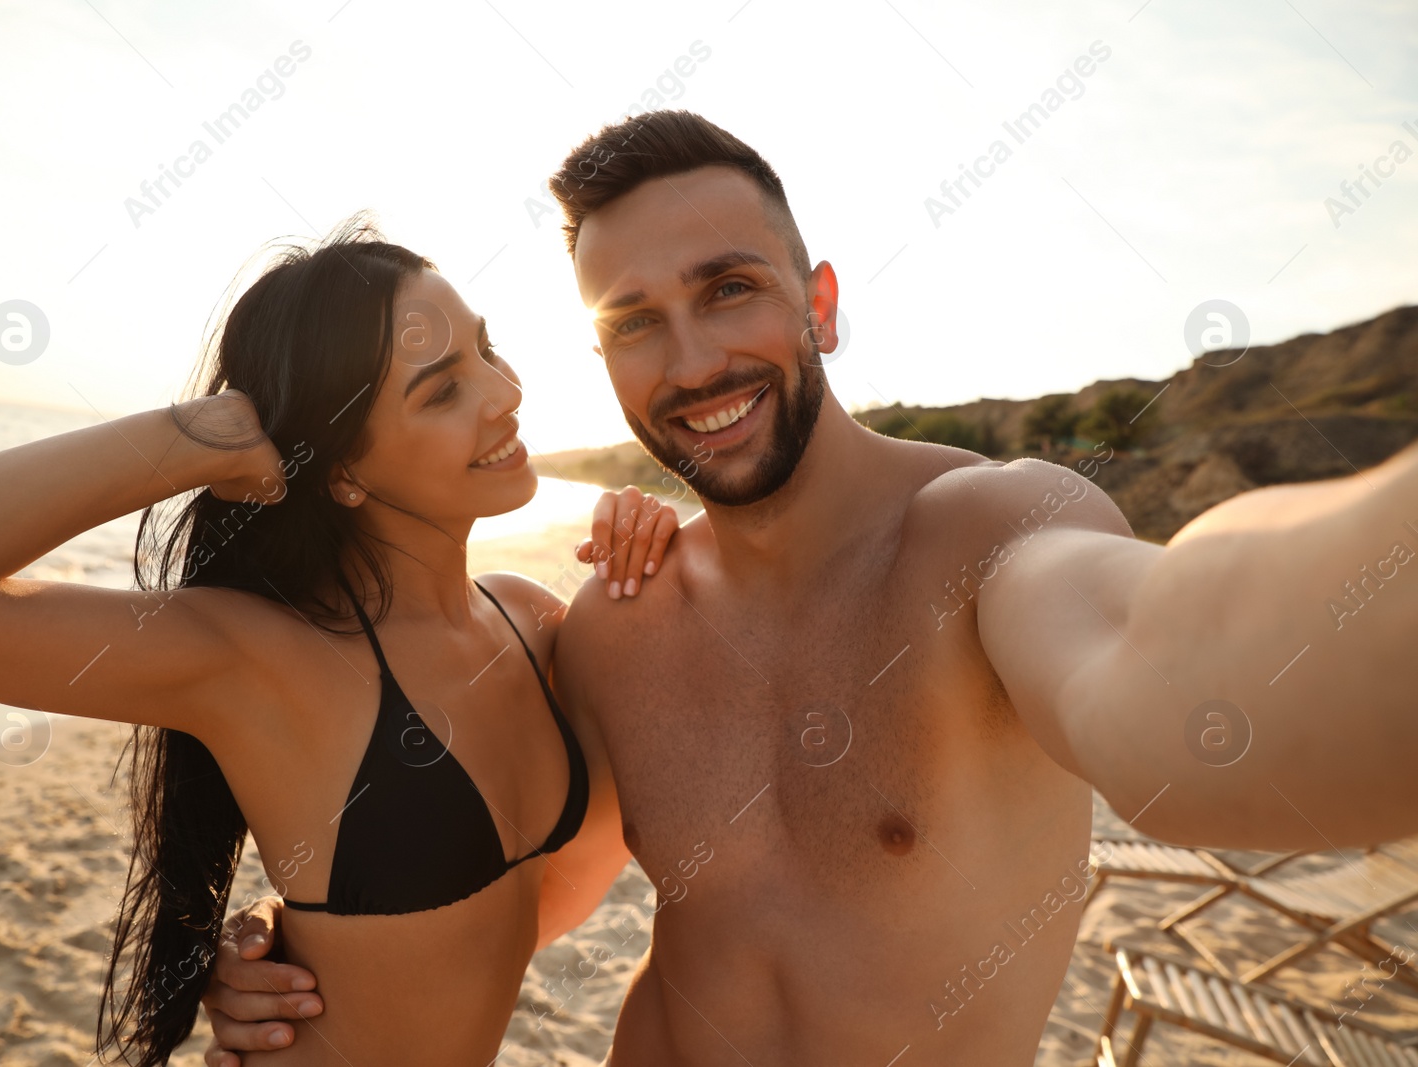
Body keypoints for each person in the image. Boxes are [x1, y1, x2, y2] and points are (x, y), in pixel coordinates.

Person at [205, 111, 1418, 1065]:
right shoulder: (619, 622)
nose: (690, 362)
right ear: (602, 360)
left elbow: (1166, 662)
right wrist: (304, 952)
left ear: (818, 306)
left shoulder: (989, 533)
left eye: (728, 288)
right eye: (634, 322)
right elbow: (521, 902)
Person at [0, 219, 680, 1065]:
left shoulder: (530, 621)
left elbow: (522, 905)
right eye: (443, 388)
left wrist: (289, 925)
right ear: (342, 471)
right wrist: (199, 438)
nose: (504, 392)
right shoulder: (262, 659)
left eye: (486, 350)